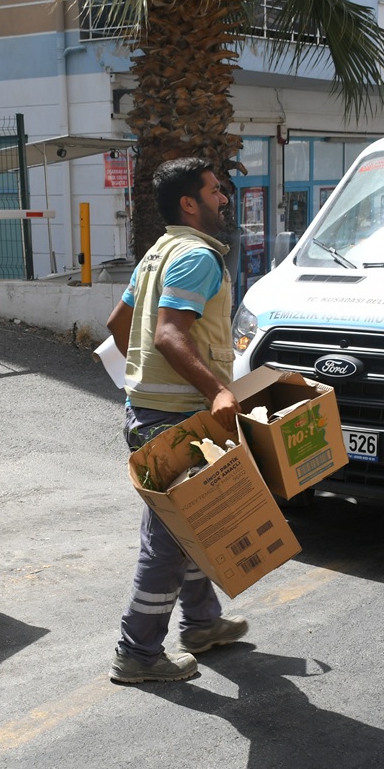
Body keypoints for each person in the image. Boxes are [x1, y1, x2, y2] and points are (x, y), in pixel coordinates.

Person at [106, 156, 250, 684]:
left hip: (148, 413)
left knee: (185, 523)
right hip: (173, 422)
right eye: (215, 190)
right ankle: (138, 653)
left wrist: (142, 381)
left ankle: (202, 625)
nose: (224, 198)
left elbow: (119, 325)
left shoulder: (156, 254)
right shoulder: (197, 257)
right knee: (166, 539)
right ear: (189, 203)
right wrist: (214, 391)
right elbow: (168, 333)